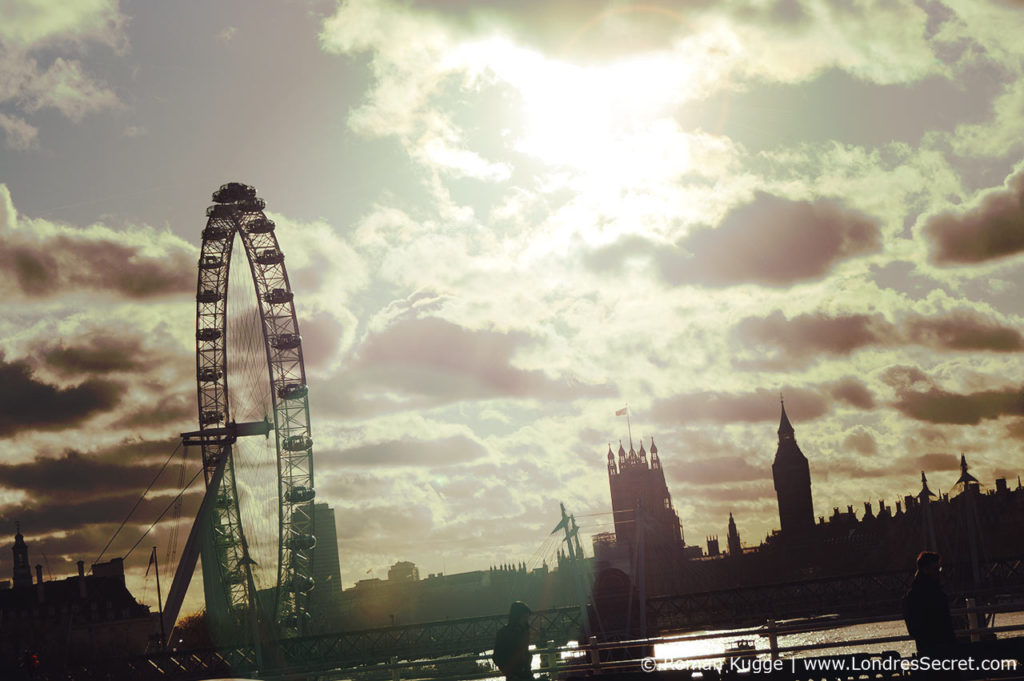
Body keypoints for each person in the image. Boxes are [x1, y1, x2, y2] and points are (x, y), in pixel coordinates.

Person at [903, 551, 957, 660]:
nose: (938, 572)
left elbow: (913, 626)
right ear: (925, 569)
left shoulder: (913, 593)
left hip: (927, 648)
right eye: (936, 568)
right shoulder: (934, 592)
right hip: (938, 647)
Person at [493, 601, 532, 681]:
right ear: (518, 617)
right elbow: (497, 657)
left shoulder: (504, 632)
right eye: (525, 617)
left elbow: (497, 658)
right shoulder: (521, 632)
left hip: (521, 674)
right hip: (518, 675)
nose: (526, 620)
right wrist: (511, 675)